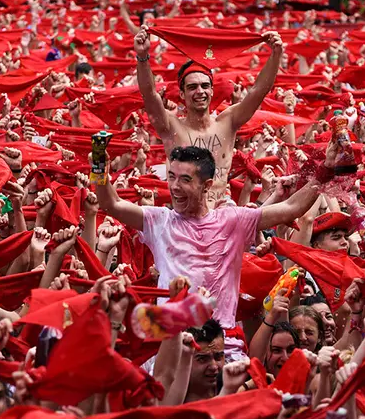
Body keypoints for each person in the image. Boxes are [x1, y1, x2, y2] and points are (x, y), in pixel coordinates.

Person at [96, 145, 333, 359]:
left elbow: (292, 207)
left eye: (185, 179)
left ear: (207, 185)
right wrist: (98, 162)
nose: (175, 187)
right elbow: (111, 204)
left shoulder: (233, 220)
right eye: (172, 177)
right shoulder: (159, 220)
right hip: (171, 343)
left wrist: (327, 168)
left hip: (224, 346)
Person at [134, 25, 285, 205]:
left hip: (219, 218)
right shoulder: (171, 126)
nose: (200, 91)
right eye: (192, 87)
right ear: (182, 94)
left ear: (212, 91)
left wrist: (276, 55)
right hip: (184, 219)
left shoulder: (228, 121)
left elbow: (258, 91)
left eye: (205, 86)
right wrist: (143, 57)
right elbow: (150, 95)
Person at [183, 320, 225, 403]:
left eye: (218, 357)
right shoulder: (169, 398)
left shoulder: (236, 384)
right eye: (202, 359)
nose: (214, 366)